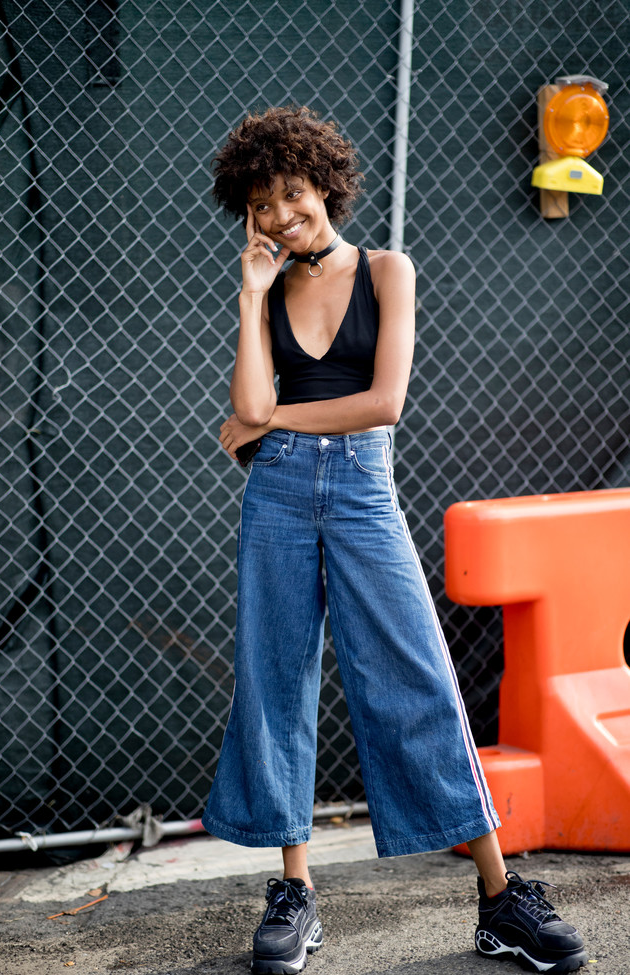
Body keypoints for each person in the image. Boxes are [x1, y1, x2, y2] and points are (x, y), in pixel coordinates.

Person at [201, 105, 587, 975]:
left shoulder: (387, 270)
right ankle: (295, 893)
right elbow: (248, 403)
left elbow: (384, 403)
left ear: (323, 183)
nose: (280, 215)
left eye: (291, 193)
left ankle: (500, 898)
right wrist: (251, 295)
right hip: (278, 493)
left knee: (417, 675)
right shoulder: (271, 289)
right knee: (276, 680)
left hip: (361, 487)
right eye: (261, 205)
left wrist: (268, 421)